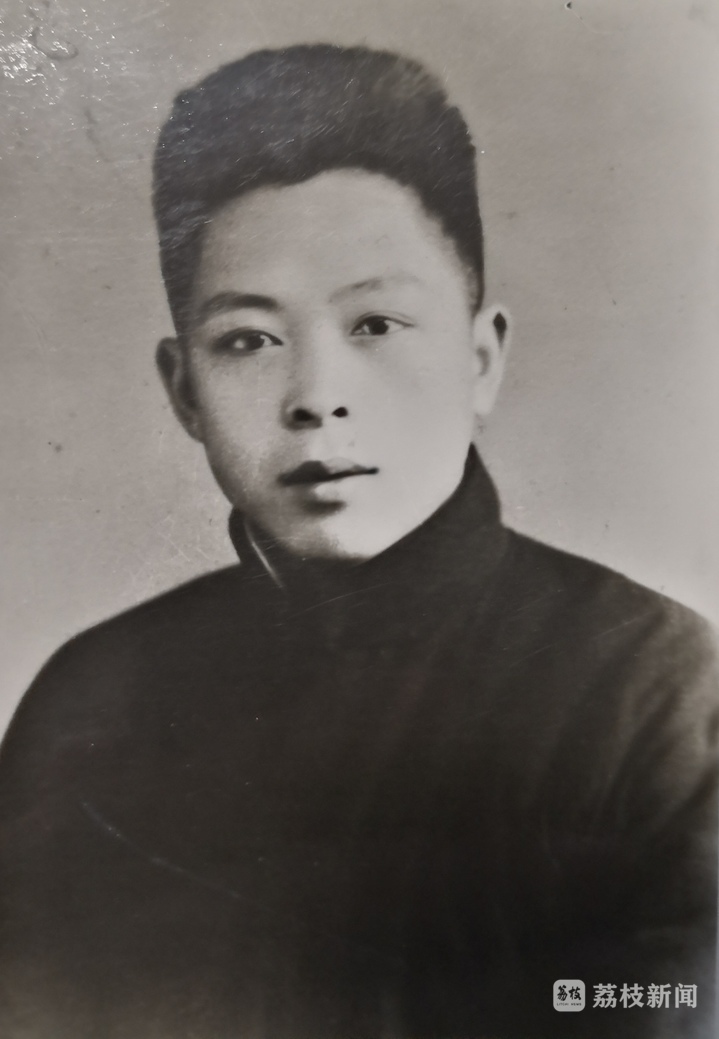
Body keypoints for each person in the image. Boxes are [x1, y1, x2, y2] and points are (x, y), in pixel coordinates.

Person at [0, 44, 716, 1039]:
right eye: (248, 339)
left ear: (479, 358)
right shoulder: (88, 705)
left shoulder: (656, 695)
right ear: (183, 390)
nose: (315, 398)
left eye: (375, 323)